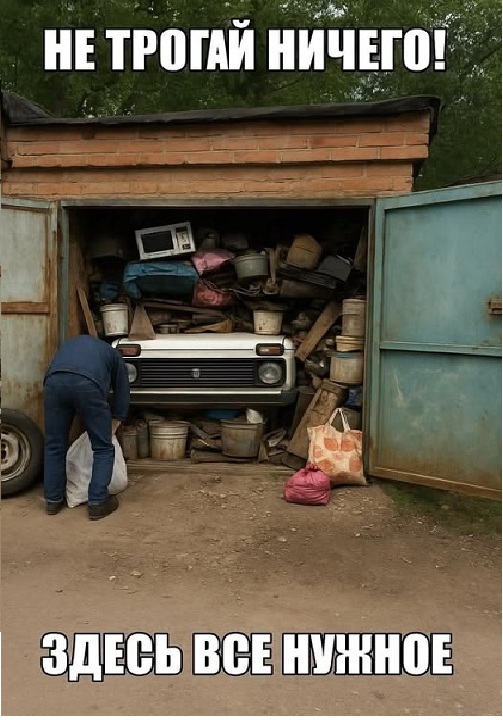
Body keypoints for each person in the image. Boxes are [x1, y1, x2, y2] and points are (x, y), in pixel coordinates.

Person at [43, 335, 130, 520]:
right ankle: (98, 502)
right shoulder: (114, 354)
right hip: (87, 384)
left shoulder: (71, 344)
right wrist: (117, 418)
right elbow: (122, 390)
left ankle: (52, 500)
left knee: (54, 445)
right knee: (103, 447)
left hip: (53, 382)